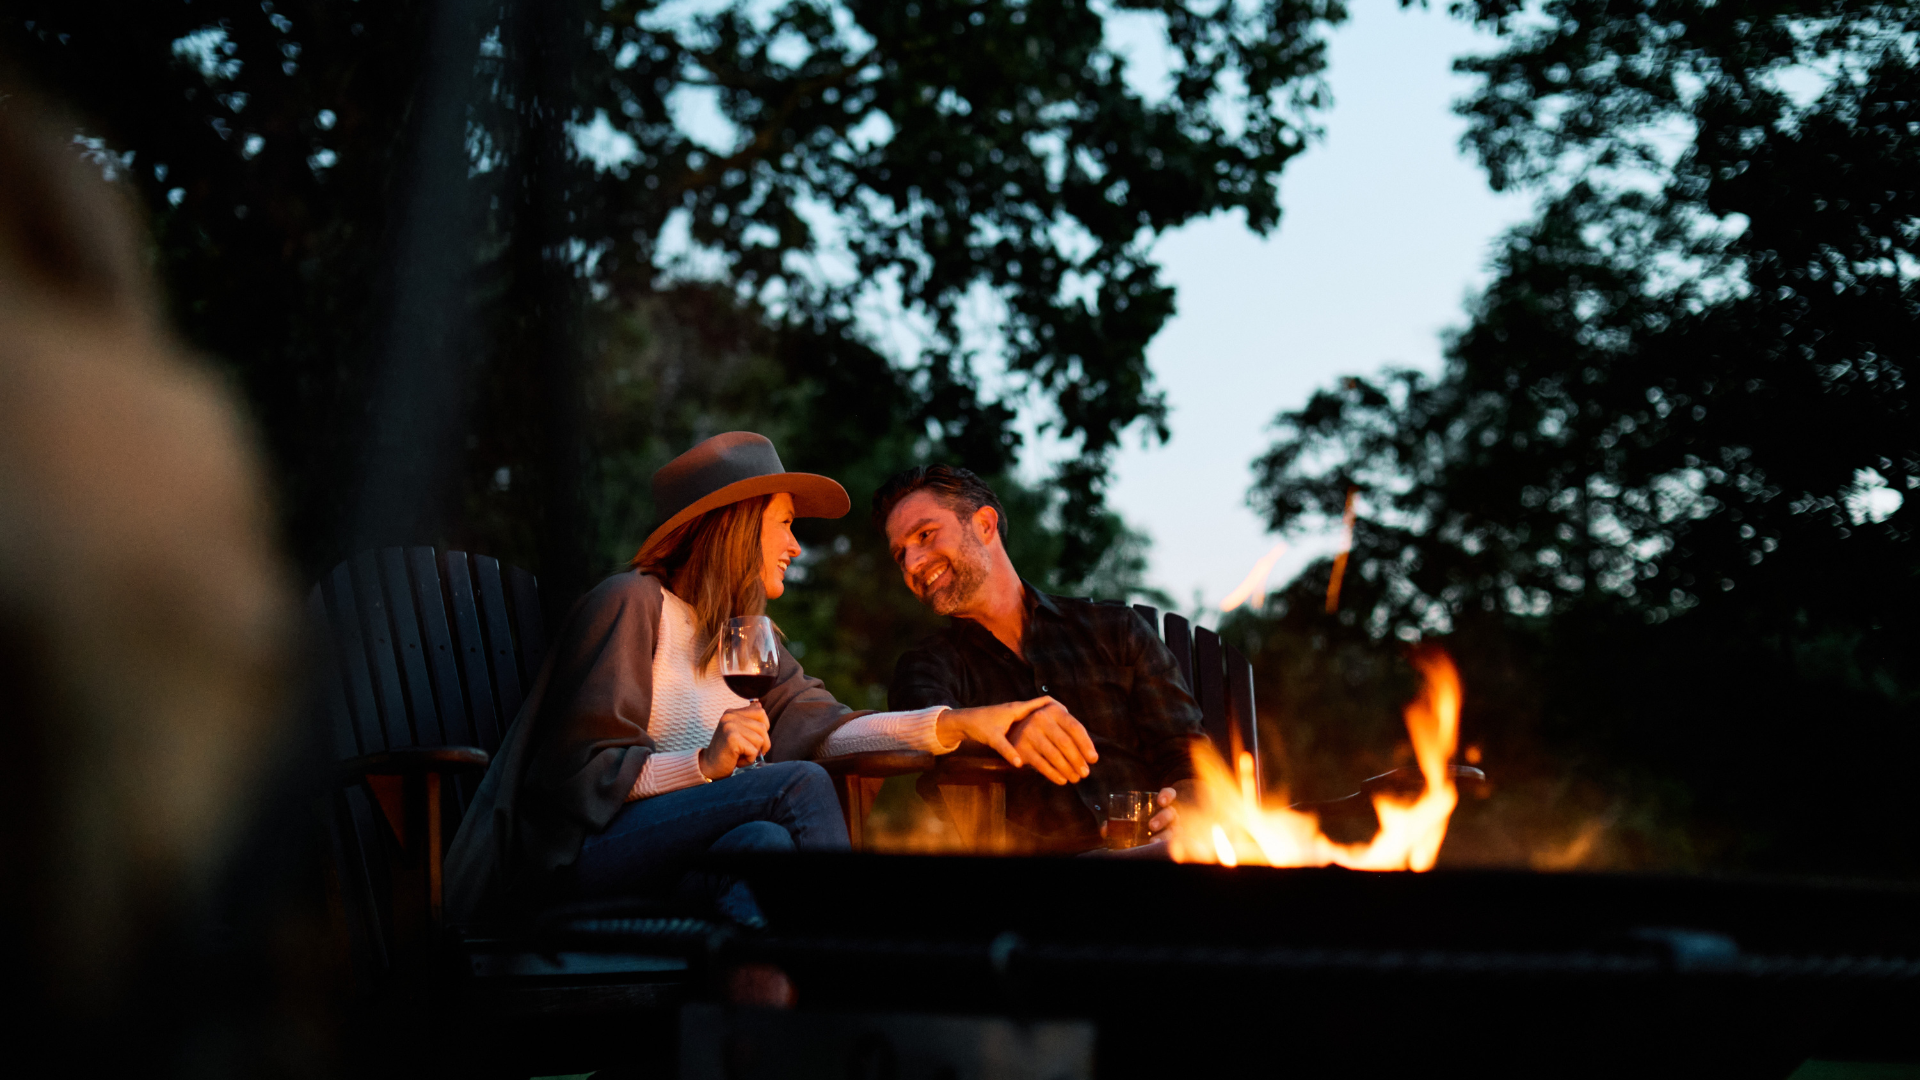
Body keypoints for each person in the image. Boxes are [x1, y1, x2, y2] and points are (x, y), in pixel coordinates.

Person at [445, 433, 1053, 923]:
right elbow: (575, 778)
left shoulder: (747, 638)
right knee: (795, 788)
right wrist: (705, 765)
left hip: (676, 866)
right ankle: (855, 975)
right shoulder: (629, 604)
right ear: (737, 523)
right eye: (783, 524)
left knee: (763, 846)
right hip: (576, 865)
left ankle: (755, 1037)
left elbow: (831, 730)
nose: (794, 545)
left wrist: (957, 725)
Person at [875, 465, 1204, 854]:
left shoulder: (1114, 630)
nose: (912, 563)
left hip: (1159, 848)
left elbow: (1186, 752)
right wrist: (1002, 733)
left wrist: (1186, 804)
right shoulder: (928, 666)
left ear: (984, 524)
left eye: (925, 535)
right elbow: (927, 733)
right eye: (901, 555)